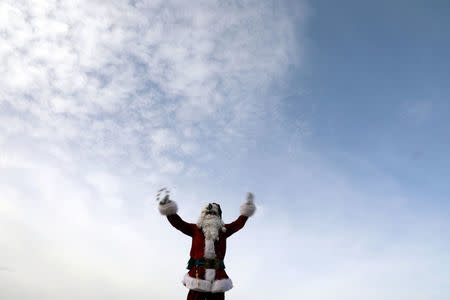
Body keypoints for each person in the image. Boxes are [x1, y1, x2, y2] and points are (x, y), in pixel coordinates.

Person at [158, 192, 256, 300]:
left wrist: (247, 209)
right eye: (207, 213)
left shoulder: (223, 231)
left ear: (218, 216)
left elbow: (239, 223)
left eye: (213, 213)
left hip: (218, 274)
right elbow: (179, 223)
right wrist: (168, 209)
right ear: (203, 215)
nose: (210, 214)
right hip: (198, 273)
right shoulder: (195, 229)